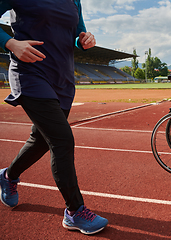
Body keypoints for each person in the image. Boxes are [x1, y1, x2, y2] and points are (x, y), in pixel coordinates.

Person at [0, 0, 108, 235]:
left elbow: (77, 34)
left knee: (40, 140)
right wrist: (11, 43)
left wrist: (84, 40)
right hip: (30, 73)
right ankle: (75, 211)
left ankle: (8, 175)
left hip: (63, 79)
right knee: (62, 140)